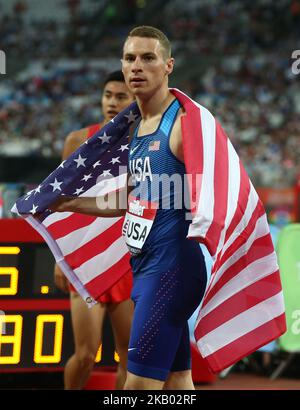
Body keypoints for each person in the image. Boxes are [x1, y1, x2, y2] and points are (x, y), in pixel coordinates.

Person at [51, 26, 208, 390]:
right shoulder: (138, 130)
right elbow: (131, 199)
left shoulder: (183, 124)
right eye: (129, 58)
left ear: (168, 65)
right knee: (177, 378)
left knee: (136, 387)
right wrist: (71, 201)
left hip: (171, 271)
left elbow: (217, 186)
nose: (137, 66)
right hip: (146, 266)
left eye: (148, 58)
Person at [53, 70, 135, 390]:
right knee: (86, 354)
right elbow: (58, 204)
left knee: (127, 355)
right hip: (85, 261)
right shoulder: (77, 140)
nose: (112, 103)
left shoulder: (147, 142)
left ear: (135, 99)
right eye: (108, 95)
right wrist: (60, 259)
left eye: (121, 96)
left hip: (125, 260)